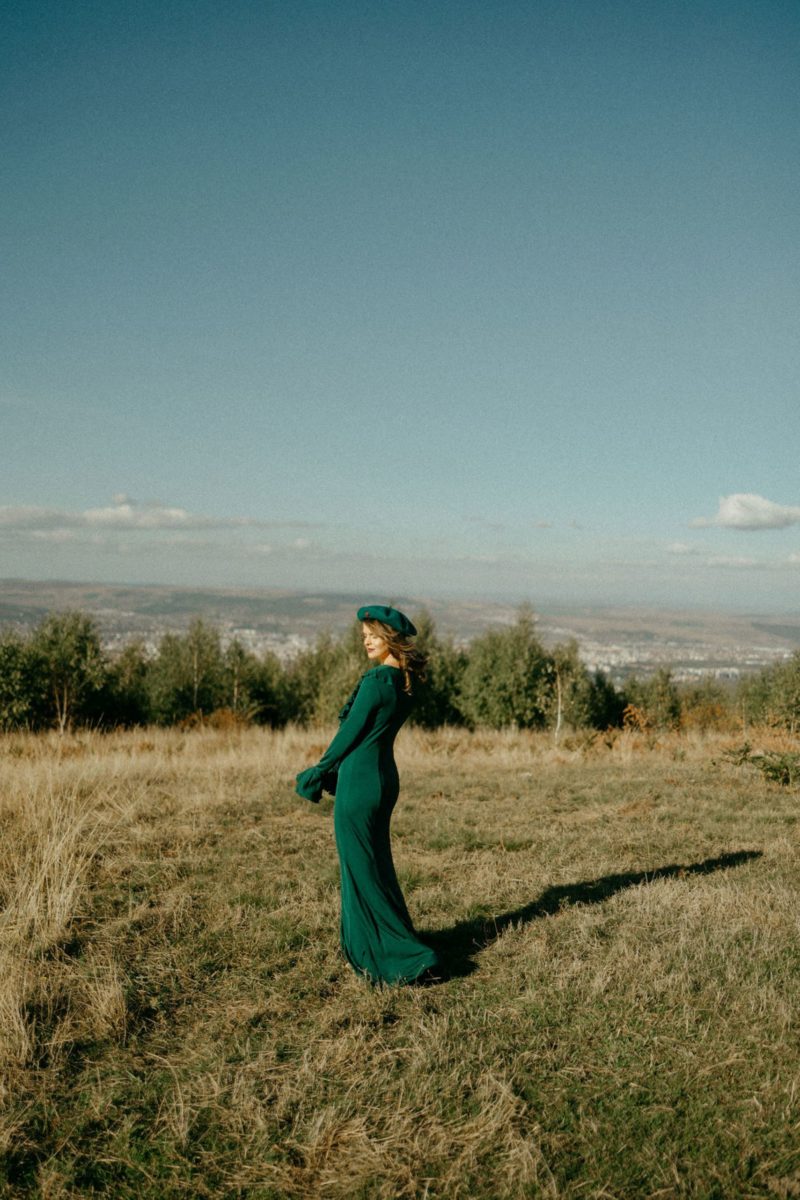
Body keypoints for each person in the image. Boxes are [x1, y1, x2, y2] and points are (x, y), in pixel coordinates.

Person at [296, 604, 440, 986]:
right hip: (384, 778)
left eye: (373, 635)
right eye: (364, 636)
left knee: (360, 871)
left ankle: (394, 955)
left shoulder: (377, 681)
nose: (367, 642)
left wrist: (319, 771)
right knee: (376, 867)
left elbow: (349, 734)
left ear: (390, 637)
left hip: (360, 782)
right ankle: (386, 942)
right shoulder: (404, 680)